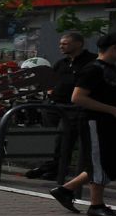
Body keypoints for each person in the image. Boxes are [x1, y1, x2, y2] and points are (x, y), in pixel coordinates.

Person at [50, 31, 116, 216]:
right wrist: (113, 110)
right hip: (94, 121)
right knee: (100, 161)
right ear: (115, 48)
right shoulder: (92, 69)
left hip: (113, 122)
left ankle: (65, 190)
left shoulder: (115, 70)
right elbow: (78, 97)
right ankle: (96, 204)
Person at [42, 32, 99, 184]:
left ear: (78, 44)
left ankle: (61, 171)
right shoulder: (62, 63)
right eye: (61, 43)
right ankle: (55, 168)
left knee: (65, 138)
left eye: (65, 44)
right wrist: (50, 91)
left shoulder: (91, 62)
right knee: (59, 140)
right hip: (56, 106)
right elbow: (51, 79)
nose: (61, 46)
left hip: (75, 108)